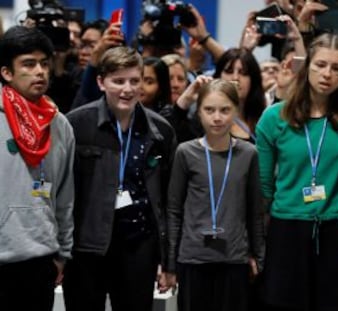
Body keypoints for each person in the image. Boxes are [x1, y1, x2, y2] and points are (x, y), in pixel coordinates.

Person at [63, 46, 176, 311]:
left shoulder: (161, 130)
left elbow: (169, 200)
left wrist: (168, 260)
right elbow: (63, 193)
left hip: (139, 245)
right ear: (101, 82)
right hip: (87, 247)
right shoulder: (76, 125)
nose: (127, 89)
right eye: (118, 81)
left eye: (134, 81)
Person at [256, 33, 338, 311]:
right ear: (307, 67)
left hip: (335, 229)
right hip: (286, 228)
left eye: (337, 68)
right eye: (321, 65)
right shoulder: (274, 117)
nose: (328, 74)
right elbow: (264, 186)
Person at [166, 79, 265, 311]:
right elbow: (174, 209)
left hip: (234, 258)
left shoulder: (248, 154)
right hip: (193, 258)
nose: (217, 117)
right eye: (209, 110)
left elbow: (255, 209)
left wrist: (258, 257)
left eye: (225, 110)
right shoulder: (186, 152)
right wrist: (170, 263)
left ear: (235, 111)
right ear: (199, 112)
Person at [0, 26, 75, 311]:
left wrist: (62, 254)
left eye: (44, 63)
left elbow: (65, 197)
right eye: (29, 64)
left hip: (40, 259)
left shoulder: (60, 124)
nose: (40, 71)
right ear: (7, 72)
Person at [213, 48, 266, 143]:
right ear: (218, 77)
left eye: (243, 73)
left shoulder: (264, 119)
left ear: (253, 80)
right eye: (229, 71)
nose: (235, 78)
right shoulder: (208, 119)